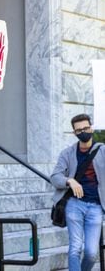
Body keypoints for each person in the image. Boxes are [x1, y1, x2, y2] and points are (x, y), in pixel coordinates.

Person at [50, 113, 105, 271]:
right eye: (79, 130)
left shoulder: (102, 151)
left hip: (95, 207)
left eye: (86, 128)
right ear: (74, 133)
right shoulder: (67, 153)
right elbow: (54, 177)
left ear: (91, 127)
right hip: (74, 204)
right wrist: (69, 180)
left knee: (91, 253)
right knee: (75, 248)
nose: (83, 132)